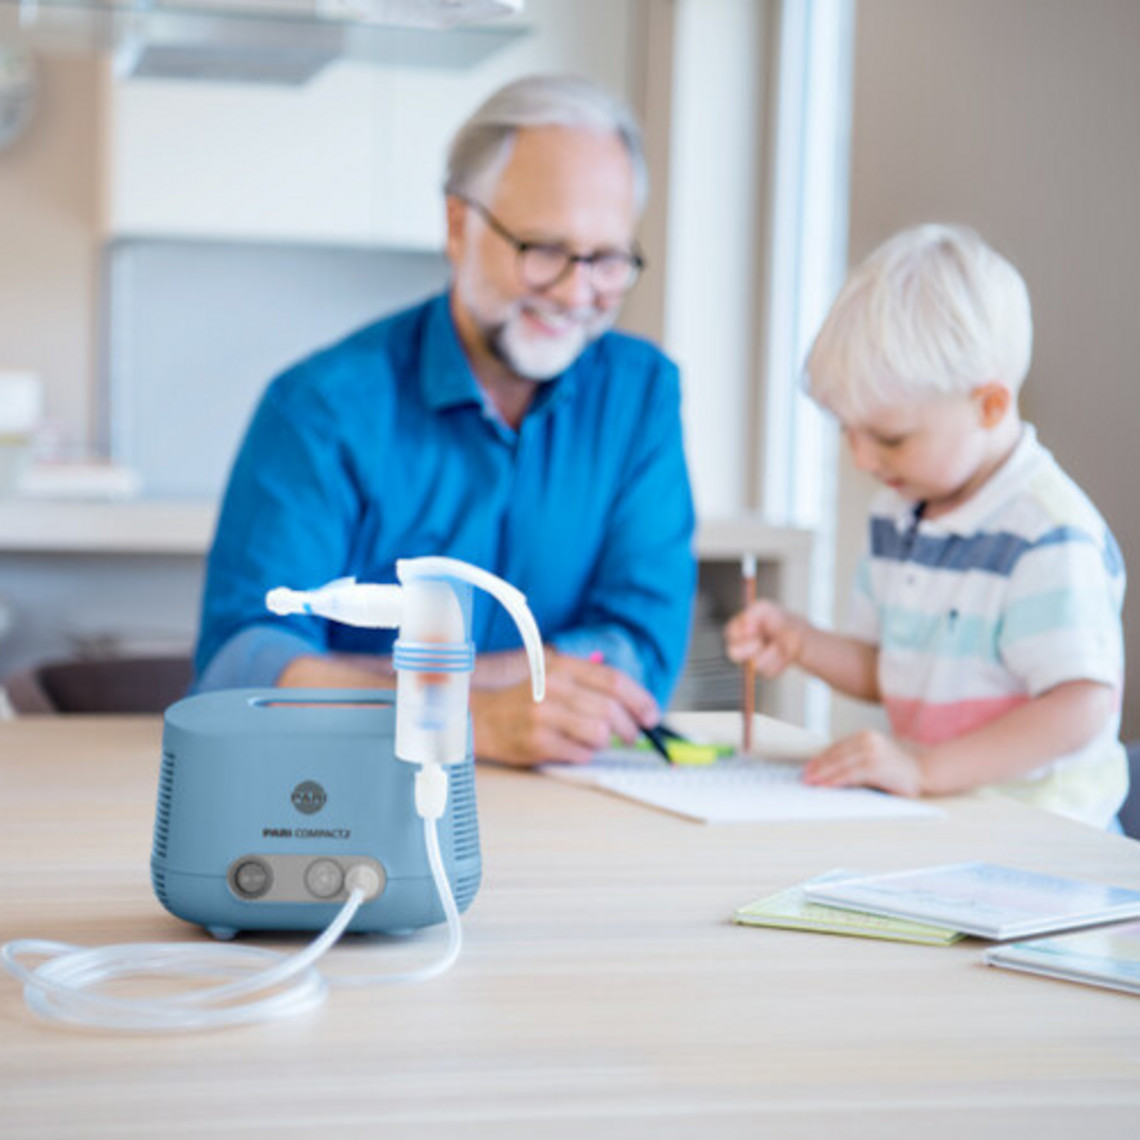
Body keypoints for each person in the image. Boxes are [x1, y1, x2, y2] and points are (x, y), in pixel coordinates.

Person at [194, 74, 697, 767]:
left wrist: (371, 684)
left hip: (571, 804)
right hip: (355, 796)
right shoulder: (321, 407)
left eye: (607, 259)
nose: (577, 293)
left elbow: (638, 649)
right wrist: (471, 714)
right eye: (545, 250)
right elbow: (243, 666)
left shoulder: (641, 395)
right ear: (459, 225)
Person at [725, 224, 1127, 829]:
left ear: (989, 406)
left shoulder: (1045, 534)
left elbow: (1081, 706)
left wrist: (926, 769)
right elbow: (888, 669)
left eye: (889, 437)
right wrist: (802, 639)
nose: (862, 460)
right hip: (943, 828)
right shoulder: (899, 514)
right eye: (847, 431)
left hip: (1046, 842)